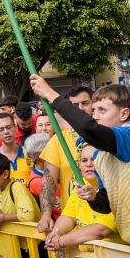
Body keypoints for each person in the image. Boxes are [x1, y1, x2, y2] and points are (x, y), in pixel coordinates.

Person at [30, 75, 130, 253]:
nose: (95, 116)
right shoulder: (100, 155)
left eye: (102, 110)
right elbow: (106, 204)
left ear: (124, 113)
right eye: (94, 110)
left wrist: (50, 95)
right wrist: (94, 197)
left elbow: (89, 130)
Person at [44, 144, 118, 258]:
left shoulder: (113, 186)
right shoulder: (82, 185)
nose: (89, 164)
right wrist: (55, 233)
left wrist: (61, 241)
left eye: (94, 159)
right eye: (84, 160)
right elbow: (68, 216)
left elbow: (102, 229)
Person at [37, 85, 93, 233]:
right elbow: (49, 180)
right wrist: (45, 215)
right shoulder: (59, 140)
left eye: (85, 103)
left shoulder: (105, 136)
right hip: (70, 222)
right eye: (74, 106)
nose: (80, 109)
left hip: (101, 221)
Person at [0, 113, 32, 184]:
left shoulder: (30, 153)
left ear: (16, 128)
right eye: (1, 129)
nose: (6, 132)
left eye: (9, 127)